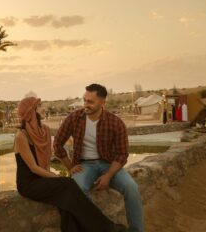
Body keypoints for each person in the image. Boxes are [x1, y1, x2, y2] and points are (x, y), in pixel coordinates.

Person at [15, 96, 126, 232]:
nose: (43, 108)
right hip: (29, 183)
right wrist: (56, 178)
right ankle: (107, 228)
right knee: (68, 185)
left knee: (65, 199)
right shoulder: (21, 136)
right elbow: (33, 167)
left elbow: (46, 162)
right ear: (31, 112)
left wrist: (52, 178)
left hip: (42, 179)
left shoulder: (45, 130)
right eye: (39, 106)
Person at [54, 84, 144, 232]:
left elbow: (122, 154)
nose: (85, 105)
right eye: (84, 100)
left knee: (132, 188)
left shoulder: (115, 122)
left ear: (103, 102)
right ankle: (101, 228)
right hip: (84, 165)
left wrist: (108, 176)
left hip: (109, 164)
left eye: (90, 102)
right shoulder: (74, 118)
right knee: (77, 190)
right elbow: (57, 144)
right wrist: (70, 167)